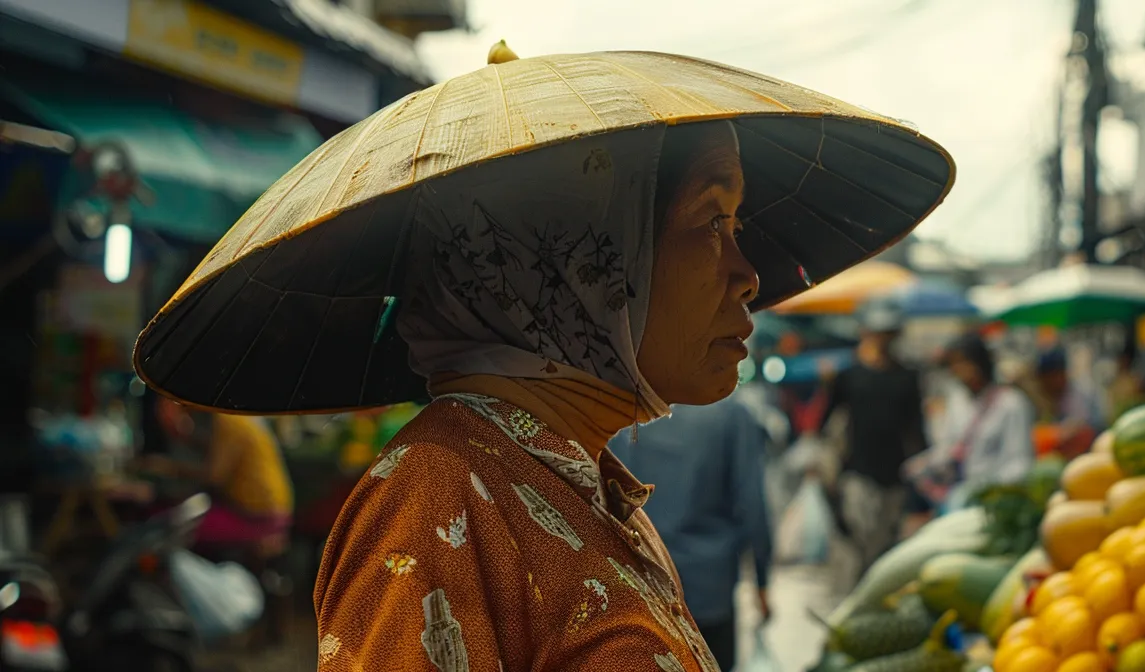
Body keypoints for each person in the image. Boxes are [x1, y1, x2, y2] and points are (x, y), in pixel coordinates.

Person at [127, 50, 953, 671]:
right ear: (584, 257)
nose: (750, 274)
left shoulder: (574, 481)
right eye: (712, 221)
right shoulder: (437, 498)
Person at [606, 395, 772, 672]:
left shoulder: (631, 414)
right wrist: (762, 579)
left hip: (646, 586)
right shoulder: (732, 415)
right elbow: (752, 502)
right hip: (711, 588)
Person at [815, 300, 927, 572]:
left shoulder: (907, 377)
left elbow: (916, 428)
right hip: (857, 472)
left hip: (895, 474)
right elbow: (826, 422)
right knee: (859, 541)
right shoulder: (849, 375)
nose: (883, 339)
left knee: (884, 544)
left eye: (888, 332)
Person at [134, 397, 293, 554]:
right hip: (266, 512)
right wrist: (184, 434)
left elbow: (213, 476)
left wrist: (169, 467)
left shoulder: (228, 419)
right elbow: (216, 451)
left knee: (173, 527)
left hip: (258, 518)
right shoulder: (236, 414)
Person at [907, 333, 1035, 518]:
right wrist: (926, 464)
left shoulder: (1011, 403)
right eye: (953, 364)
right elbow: (949, 446)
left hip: (996, 504)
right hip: (957, 498)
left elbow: (1020, 463)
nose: (958, 370)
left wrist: (985, 490)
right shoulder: (957, 400)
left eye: (963, 363)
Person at [1032, 348, 1104, 455]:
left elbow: (1081, 430)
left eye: (1047, 378)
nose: (1044, 383)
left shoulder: (1081, 394)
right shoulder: (1051, 396)